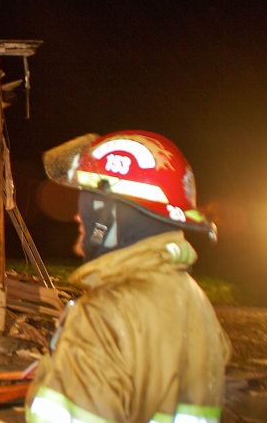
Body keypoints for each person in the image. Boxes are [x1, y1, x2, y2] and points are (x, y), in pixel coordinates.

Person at [26, 130, 231, 423]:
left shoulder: (102, 315)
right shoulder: (197, 302)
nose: (77, 216)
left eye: (88, 203)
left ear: (111, 215)